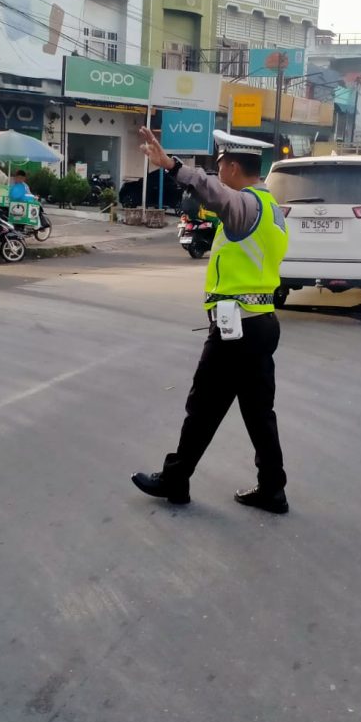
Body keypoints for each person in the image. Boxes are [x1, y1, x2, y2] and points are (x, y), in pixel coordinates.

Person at [130, 127, 291, 515]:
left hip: (238, 330)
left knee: (202, 407)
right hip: (261, 324)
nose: (219, 176)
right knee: (258, 413)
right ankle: (272, 489)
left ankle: (175, 479)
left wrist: (171, 166)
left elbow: (211, 191)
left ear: (234, 168)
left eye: (221, 168)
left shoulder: (246, 206)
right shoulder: (273, 211)